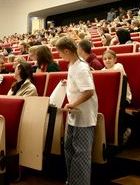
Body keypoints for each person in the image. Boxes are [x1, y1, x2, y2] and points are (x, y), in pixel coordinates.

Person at [56, 37, 98, 185]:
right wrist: (68, 84)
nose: (59, 56)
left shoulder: (81, 67)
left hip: (83, 115)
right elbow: (79, 85)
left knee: (81, 152)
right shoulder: (72, 64)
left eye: (60, 53)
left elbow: (89, 92)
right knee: (69, 147)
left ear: (67, 51)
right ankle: (72, 180)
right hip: (75, 113)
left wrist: (72, 104)